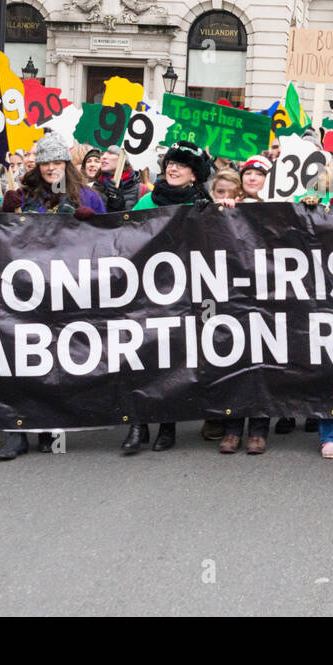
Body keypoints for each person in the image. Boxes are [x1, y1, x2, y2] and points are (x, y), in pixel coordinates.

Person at [0, 134, 106, 461]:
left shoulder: (87, 195)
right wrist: (3, 215)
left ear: (66, 164)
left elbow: (114, 241)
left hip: (66, 290)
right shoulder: (24, 195)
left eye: (57, 161)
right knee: (18, 361)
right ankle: (16, 432)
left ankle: (49, 427)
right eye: (45, 162)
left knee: (55, 361)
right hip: (25, 290)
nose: (51, 168)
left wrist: (94, 223)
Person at [130, 141, 224, 454]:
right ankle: (138, 424)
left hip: (183, 293)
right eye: (171, 163)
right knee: (140, 354)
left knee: (171, 359)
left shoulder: (205, 204)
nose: (173, 168)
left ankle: (167, 425)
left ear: (195, 175)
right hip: (145, 290)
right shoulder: (146, 201)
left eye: (182, 165)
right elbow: (124, 242)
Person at [94, 146, 141, 212]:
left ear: (123, 159)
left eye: (110, 153)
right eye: (102, 154)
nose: (103, 157)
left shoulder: (141, 189)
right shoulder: (94, 188)